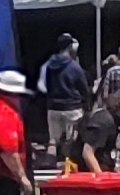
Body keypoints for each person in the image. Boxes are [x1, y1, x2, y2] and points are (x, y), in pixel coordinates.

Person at [38, 36, 90, 168]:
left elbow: (44, 85)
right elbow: (83, 89)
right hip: (72, 108)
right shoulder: (74, 67)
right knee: (70, 141)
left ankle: (49, 166)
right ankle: (68, 166)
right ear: (70, 47)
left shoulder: (49, 65)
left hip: (53, 107)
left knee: (53, 140)